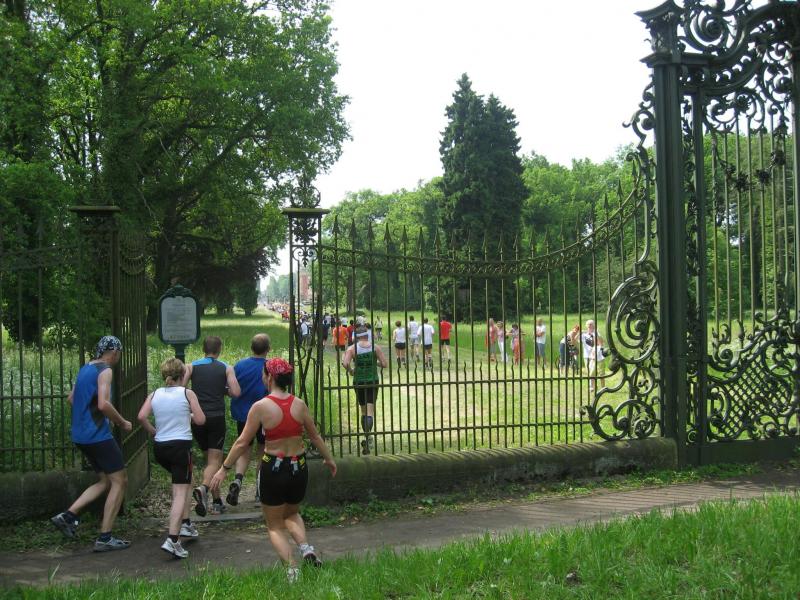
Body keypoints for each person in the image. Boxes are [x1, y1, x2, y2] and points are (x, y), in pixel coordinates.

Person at [209, 358, 337, 584]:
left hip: (274, 469)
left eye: (263, 373)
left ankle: (292, 570)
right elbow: (315, 436)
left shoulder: (260, 407)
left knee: (275, 525)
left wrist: (224, 469)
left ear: (269, 377)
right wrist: (329, 459)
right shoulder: (299, 404)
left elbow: (242, 442)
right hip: (299, 467)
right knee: (292, 513)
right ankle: (306, 549)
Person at [51, 336, 133, 552]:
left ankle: (67, 516)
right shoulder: (105, 371)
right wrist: (122, 422)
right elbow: (103, 404)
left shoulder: (86, 368)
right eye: (119, 353)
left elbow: (71, 398)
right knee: (121, 481)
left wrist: (88, 416)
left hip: (80, 436)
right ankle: (105, 537)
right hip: (97, 436)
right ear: (114, 352)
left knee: (105, 480)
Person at [137, 358, 206, 558]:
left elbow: (141, 417)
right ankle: (173, 539)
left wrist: (153, 431)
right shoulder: (187, 393)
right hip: (180, 447)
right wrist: (188, 416)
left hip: (161, 448)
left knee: (186, 482)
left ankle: (186, 523)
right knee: (180, 492)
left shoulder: (155, 394)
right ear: (183, 375)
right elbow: (201, 420)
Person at [182, 336, 241, 516]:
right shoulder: (226, 367)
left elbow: (180, 388)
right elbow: (236, 392)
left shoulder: (191, 367)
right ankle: (204, 489)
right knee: (215, 461)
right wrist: (223, 390)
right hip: (216, 418)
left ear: (203, 349)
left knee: (210, 460)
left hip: (197, 418)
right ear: (219, 349)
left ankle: (216, 502)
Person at [229, 333, 271, 505]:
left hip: (243, 414)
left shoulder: (239, 365)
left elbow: (231, 387)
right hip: (264, 415)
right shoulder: (269, 366)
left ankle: (238, 479)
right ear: (268, 349)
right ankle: (260, 489)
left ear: (251, 348)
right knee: (263, 450)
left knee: (244, 448)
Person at [342, 326, 388, 454]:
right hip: (372, 380)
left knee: (363, 411)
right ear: (367, 335)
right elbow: (385, 364)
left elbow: (345, 363)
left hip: (359, 381)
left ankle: (367, 437)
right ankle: (368, 439)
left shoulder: (352, 349)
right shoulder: (375, 347)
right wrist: (375, 363)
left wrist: (351, 371)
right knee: (370, 411)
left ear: (356, 336)